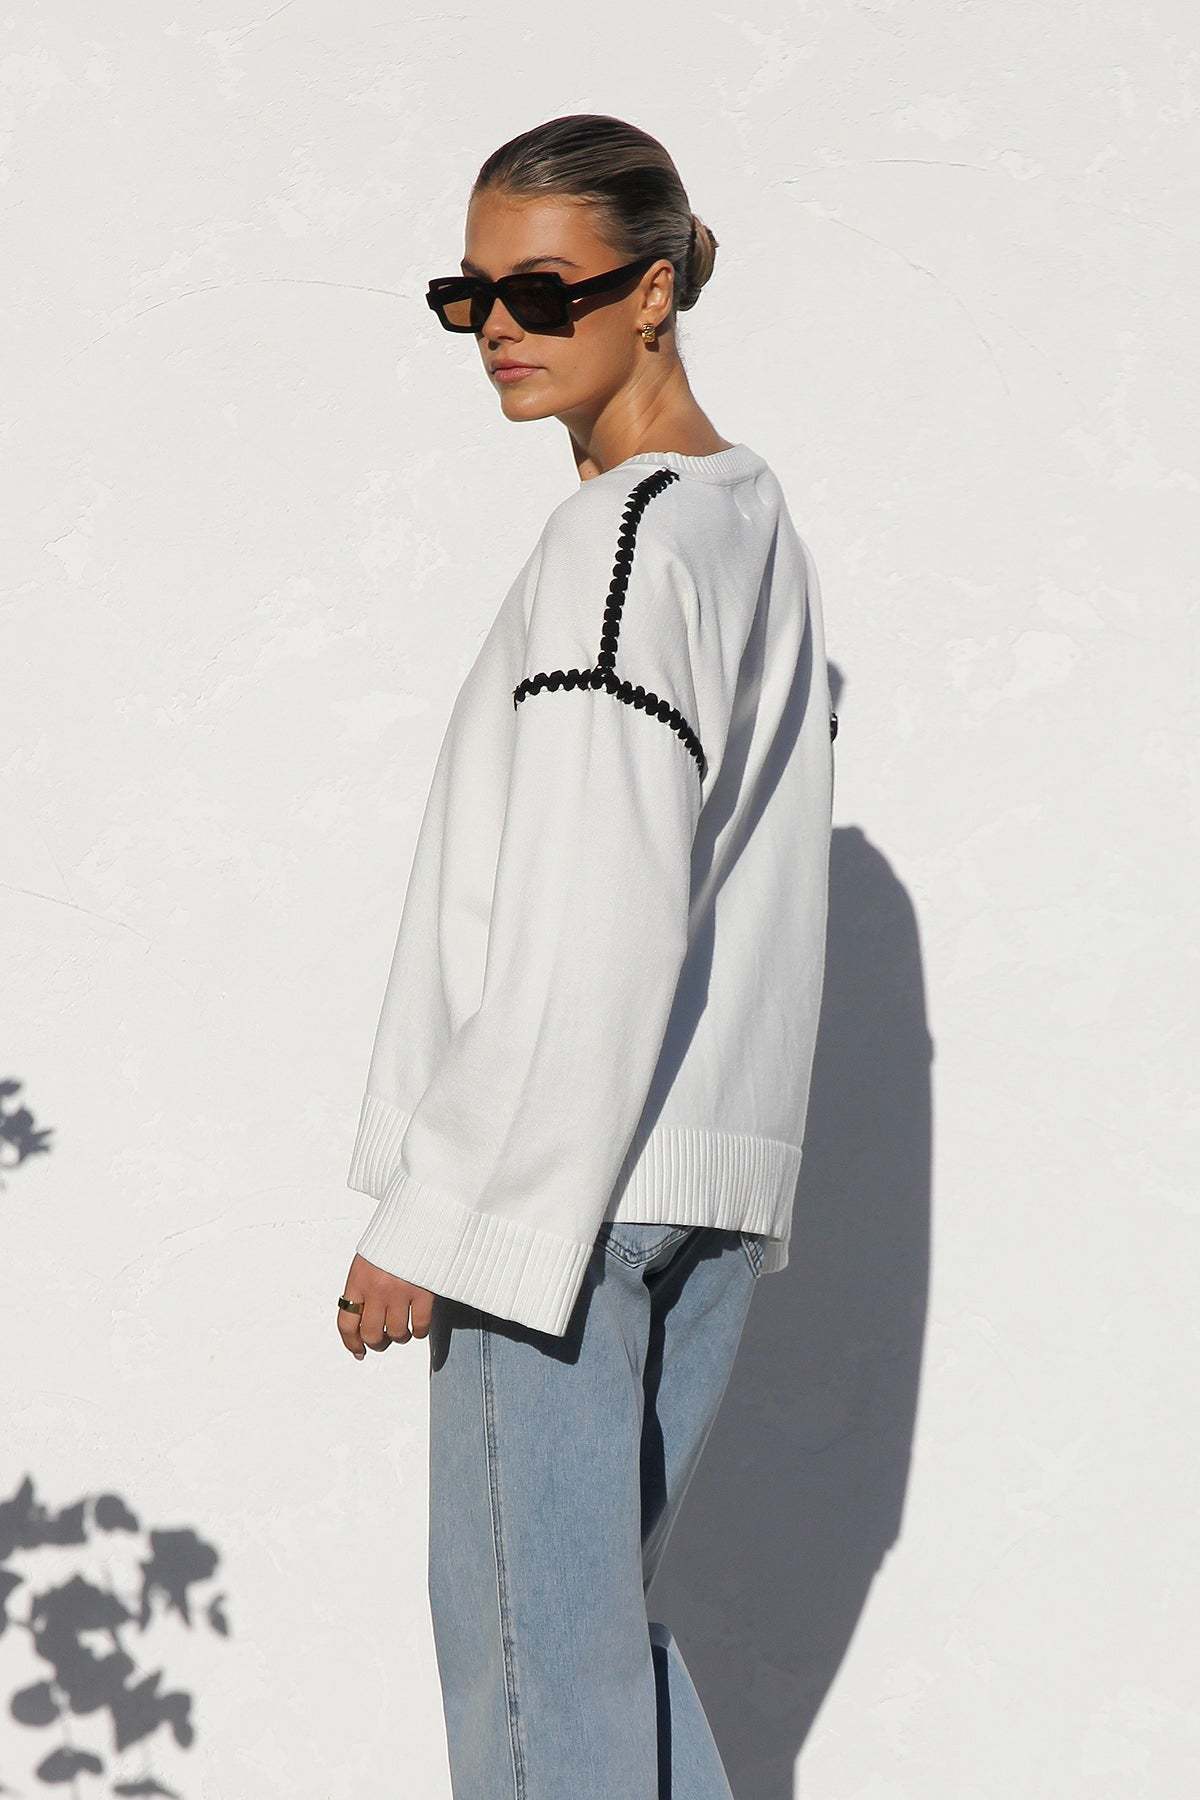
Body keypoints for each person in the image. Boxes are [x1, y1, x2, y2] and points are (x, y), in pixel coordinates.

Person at [335, 112, 835, 1799]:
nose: (499, 328)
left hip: (567, 1192)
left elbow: (594, 899)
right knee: (603, 1662)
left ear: (657, 291)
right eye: (469, 295)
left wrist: (447, 1209)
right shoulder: (749, 518)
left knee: (540, 1696)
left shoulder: (622, 539)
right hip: (701, 1177)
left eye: (543, 292)